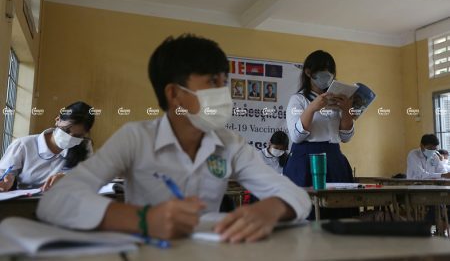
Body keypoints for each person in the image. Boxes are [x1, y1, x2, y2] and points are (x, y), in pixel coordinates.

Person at [37, 34, 311, 243]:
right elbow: (57, 200)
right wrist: (144, 219)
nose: (223, 92)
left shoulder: (231, 144)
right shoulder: (136, 138)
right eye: (213, 82)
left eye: (223, 82)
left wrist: (269, 210)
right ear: (174, 94)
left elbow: (297, 197)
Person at [283, 50, 355, 219]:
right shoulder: (298, 100)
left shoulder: (337, 99)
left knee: (339, 214)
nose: (328, 75)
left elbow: (346, 137)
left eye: (331, 72)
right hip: (306, 160)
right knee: (307, 215)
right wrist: (312, 108)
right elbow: (296, 136)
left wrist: (346, 110)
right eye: (323, 71)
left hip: (334, 158)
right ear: (308, 72)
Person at [0, 101, 95, 192]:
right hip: (27, 205)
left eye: (77, 136)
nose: (69, 138)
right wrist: (7, 182)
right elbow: (3, 175)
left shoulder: (84, 146)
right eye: (66, 131)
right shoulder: (23, 145)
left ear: (85, 134)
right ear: (57, 120)